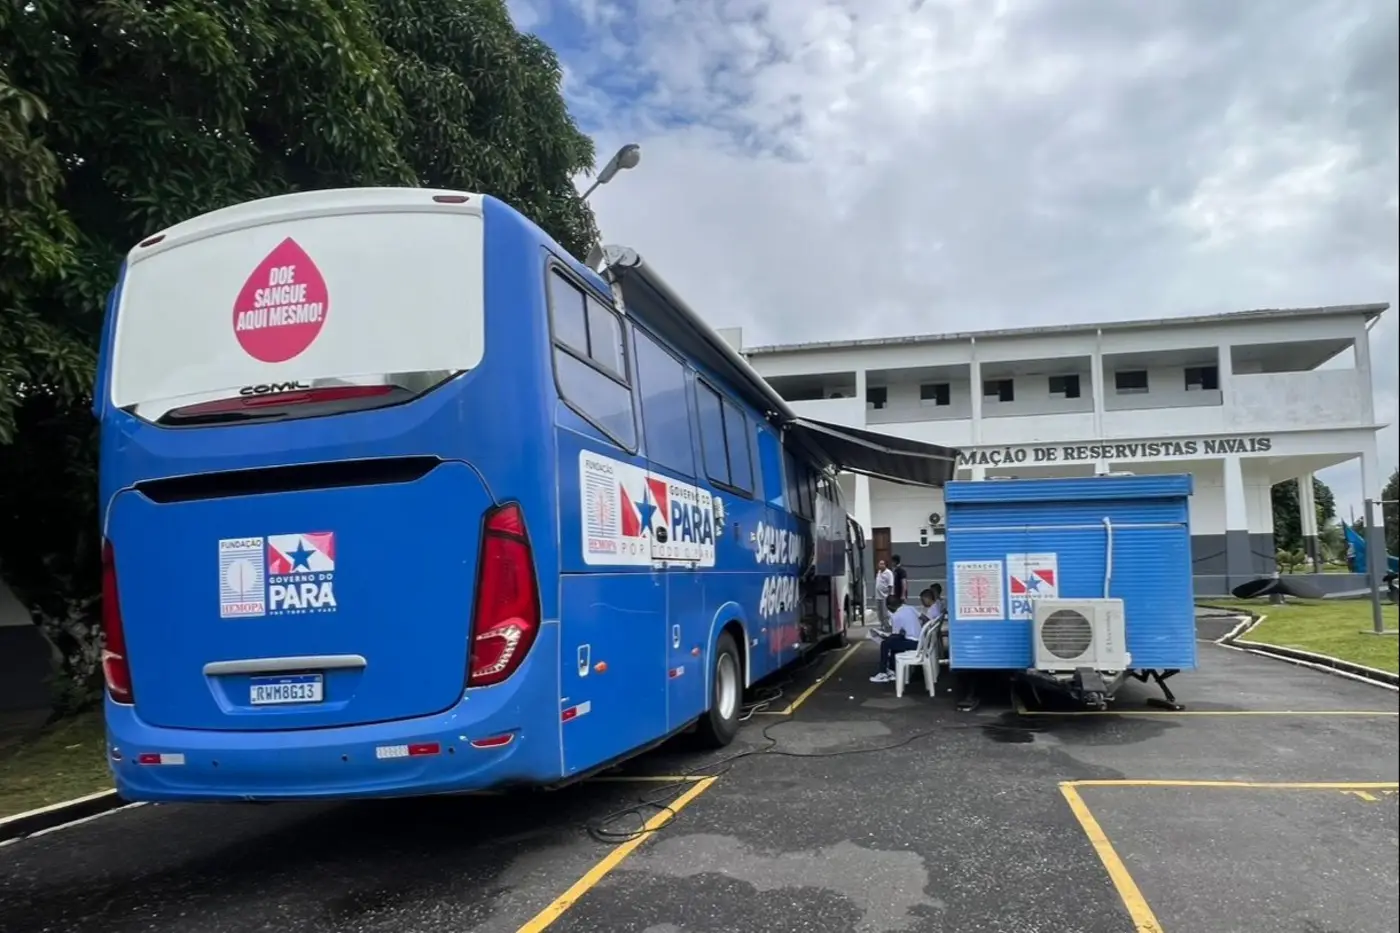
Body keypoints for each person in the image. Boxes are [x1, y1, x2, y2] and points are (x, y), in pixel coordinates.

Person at [869, 594, 927, 684]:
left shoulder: (896, 616)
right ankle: (892, 671)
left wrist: (883, 635)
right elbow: (925, 618)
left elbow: (895, 635)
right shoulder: (910, 608)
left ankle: (882, 673)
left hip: (913, 644)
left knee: (885, 644)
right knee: (894, 644)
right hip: (920, 641)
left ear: (889, 607)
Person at [873, 560, 894, 626]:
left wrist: (889, 595)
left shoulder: (888, 573)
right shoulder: (879, 572)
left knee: (885, 612)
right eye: (880, 564)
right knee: (879, 612)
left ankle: (887, 625)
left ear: (885, 565)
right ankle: (882, 624)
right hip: (878, 596)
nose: (880, 565)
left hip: (885, 596)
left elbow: (890, 585)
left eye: (882, 564)